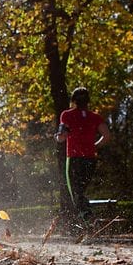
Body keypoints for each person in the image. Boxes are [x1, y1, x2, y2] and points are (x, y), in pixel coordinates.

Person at [55, 87, 110, 229]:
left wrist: (58, 137)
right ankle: (88, 221)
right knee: (81, 190)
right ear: (88, 101)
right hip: (90, 159)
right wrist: (94, 146)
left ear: (73, 101)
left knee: (75, 192)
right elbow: (107, 136)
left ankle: (89, 220)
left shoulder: (66, 115)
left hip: (73, 159)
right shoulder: (95, 117)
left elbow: (62, 137)